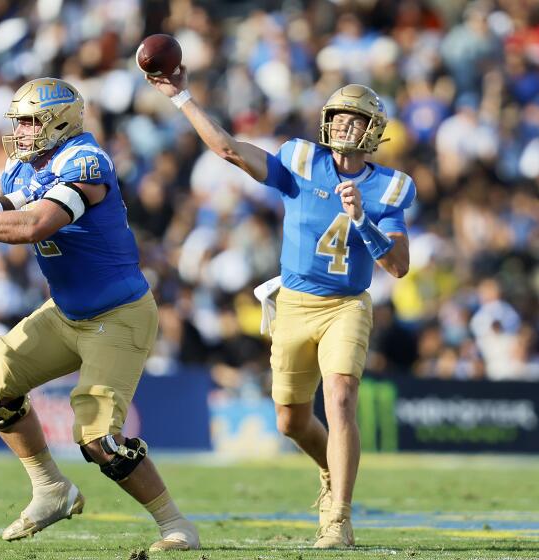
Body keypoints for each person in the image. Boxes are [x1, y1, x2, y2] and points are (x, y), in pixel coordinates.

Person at [0, 77, 200, 552]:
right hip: (67, 312)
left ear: (61, 121)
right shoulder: (23, 168)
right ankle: (51, 488)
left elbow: (35, 224)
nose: (21, 131)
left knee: (98, 440)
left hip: (119, 315)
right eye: (19, 122)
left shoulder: (86, 162)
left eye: (30, 121)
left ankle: (176, 525)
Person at [145, 69, 413, 548]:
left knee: (342, 396)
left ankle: (339, 519)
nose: (347, 126)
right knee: (290, 420)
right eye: (341, 117)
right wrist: (180, 95)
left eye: (357, 120)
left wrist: (362, 220)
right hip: (292, 303)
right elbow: (228, 149)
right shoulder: (301, 159)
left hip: (346, 304)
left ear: (373, 130)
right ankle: (331, 474)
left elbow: (398, 267)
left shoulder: (390, 186)